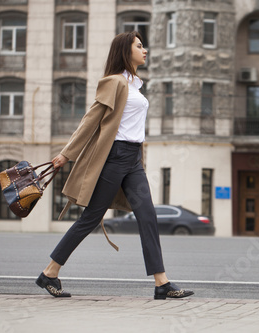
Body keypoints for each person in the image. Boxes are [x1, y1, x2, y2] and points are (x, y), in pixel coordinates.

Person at [35, 31, 193, 300]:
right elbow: (91, 120)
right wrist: (66, 154)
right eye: (139, 46)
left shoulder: (135, 84)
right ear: (125, 50)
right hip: (114, 156)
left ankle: (161, 283)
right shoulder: (114, 82)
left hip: (133, 159)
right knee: (91, 218)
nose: (145, 50)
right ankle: (50, 272)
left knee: (147, 216)